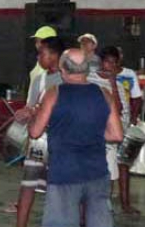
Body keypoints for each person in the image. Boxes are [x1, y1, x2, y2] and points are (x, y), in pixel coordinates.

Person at [29, 48, 124, 227]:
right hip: (97, 172)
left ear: (62, 69)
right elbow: (117, 134)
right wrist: (91, 130)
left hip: (64, 172)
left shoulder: (54, 93)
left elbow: (35, 132)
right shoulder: (104, 93)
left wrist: (33, 115)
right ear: (87, 69)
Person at [13, 36, 64, 227]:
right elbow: (31, 109)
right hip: (39, 141)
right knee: (28, 186)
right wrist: (26, 114)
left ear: (54, 55)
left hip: (62, 142)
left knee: (60, 189)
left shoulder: (69, 79)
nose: (38, 57)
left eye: (41, 53)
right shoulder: (39, 80)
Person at [100, 46, 142, 215]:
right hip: (106, 128)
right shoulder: (95, 78)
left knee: (123, 164)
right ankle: (104, 205)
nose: (110, 65)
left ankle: (125, 204)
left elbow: (134, 100)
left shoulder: (125, 77)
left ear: (118, 62)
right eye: (107, 61)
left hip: (122, 126)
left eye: (113, 61)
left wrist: (131, 121)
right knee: (107, 167)